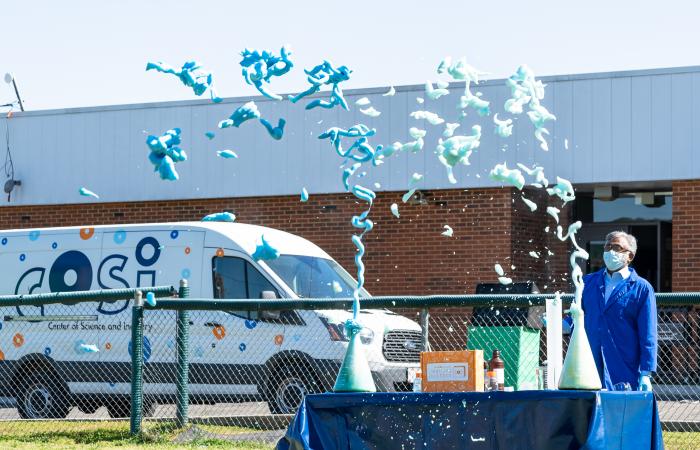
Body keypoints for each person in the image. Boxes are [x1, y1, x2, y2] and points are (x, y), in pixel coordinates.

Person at [580, 230, 657, 391]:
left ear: (630, 256)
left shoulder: (641, 288)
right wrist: (561, 323)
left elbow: (648, 334)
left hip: (624, 365)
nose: (610, 251)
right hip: (589, 365)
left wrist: (646, 372)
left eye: (617, 247)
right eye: (607, 247)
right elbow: (578, 316)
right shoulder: (587, 283)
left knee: (622, 413)